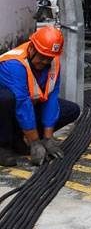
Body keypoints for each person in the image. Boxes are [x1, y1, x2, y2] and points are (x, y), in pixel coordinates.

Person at [0, 26, 80, 167]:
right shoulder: (14, 64)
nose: (44, 62)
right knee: (6, 99)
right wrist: (35, 141)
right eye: (41, 57)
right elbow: (22, 103)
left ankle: (20, 140)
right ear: (31, 48)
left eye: (48, 58)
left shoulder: (53, 63)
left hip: (23, 109)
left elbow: (52, 98)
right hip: (8, 110)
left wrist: (48, 137)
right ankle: (3, 146)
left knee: (71, 109)